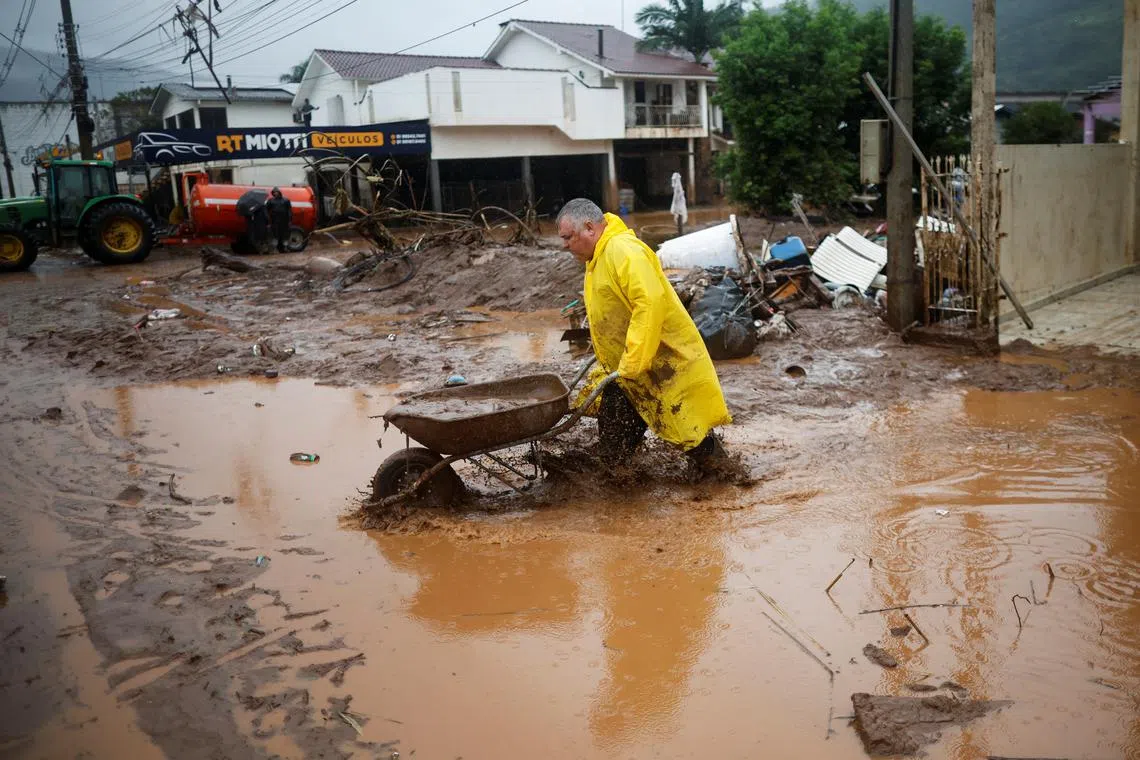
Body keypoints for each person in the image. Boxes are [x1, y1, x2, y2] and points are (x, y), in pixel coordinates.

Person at [557, 197, 732, 469]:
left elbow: (649, 303)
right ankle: (624, 486)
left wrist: (633, 361)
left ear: (590, 228)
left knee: (688, 430)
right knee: (615, 449)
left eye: (568, 237)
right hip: (628, 371)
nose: (564, 245)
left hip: (659, 363)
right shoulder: (598, 257)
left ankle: (727, 476)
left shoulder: (622, 251)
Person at [265, 187, 293, 253]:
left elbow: (289, 211)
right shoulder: (270, 201)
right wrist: (268, 218)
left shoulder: (286, 200)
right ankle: (274, 248)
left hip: (284, 220)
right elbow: (266, 210)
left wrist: (290, 220)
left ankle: (285, 247)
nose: (275, 193)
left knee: (285, 234)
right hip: (274, 220)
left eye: (276, 192)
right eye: (274, 192)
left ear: (279, 192)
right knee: (275, 235)